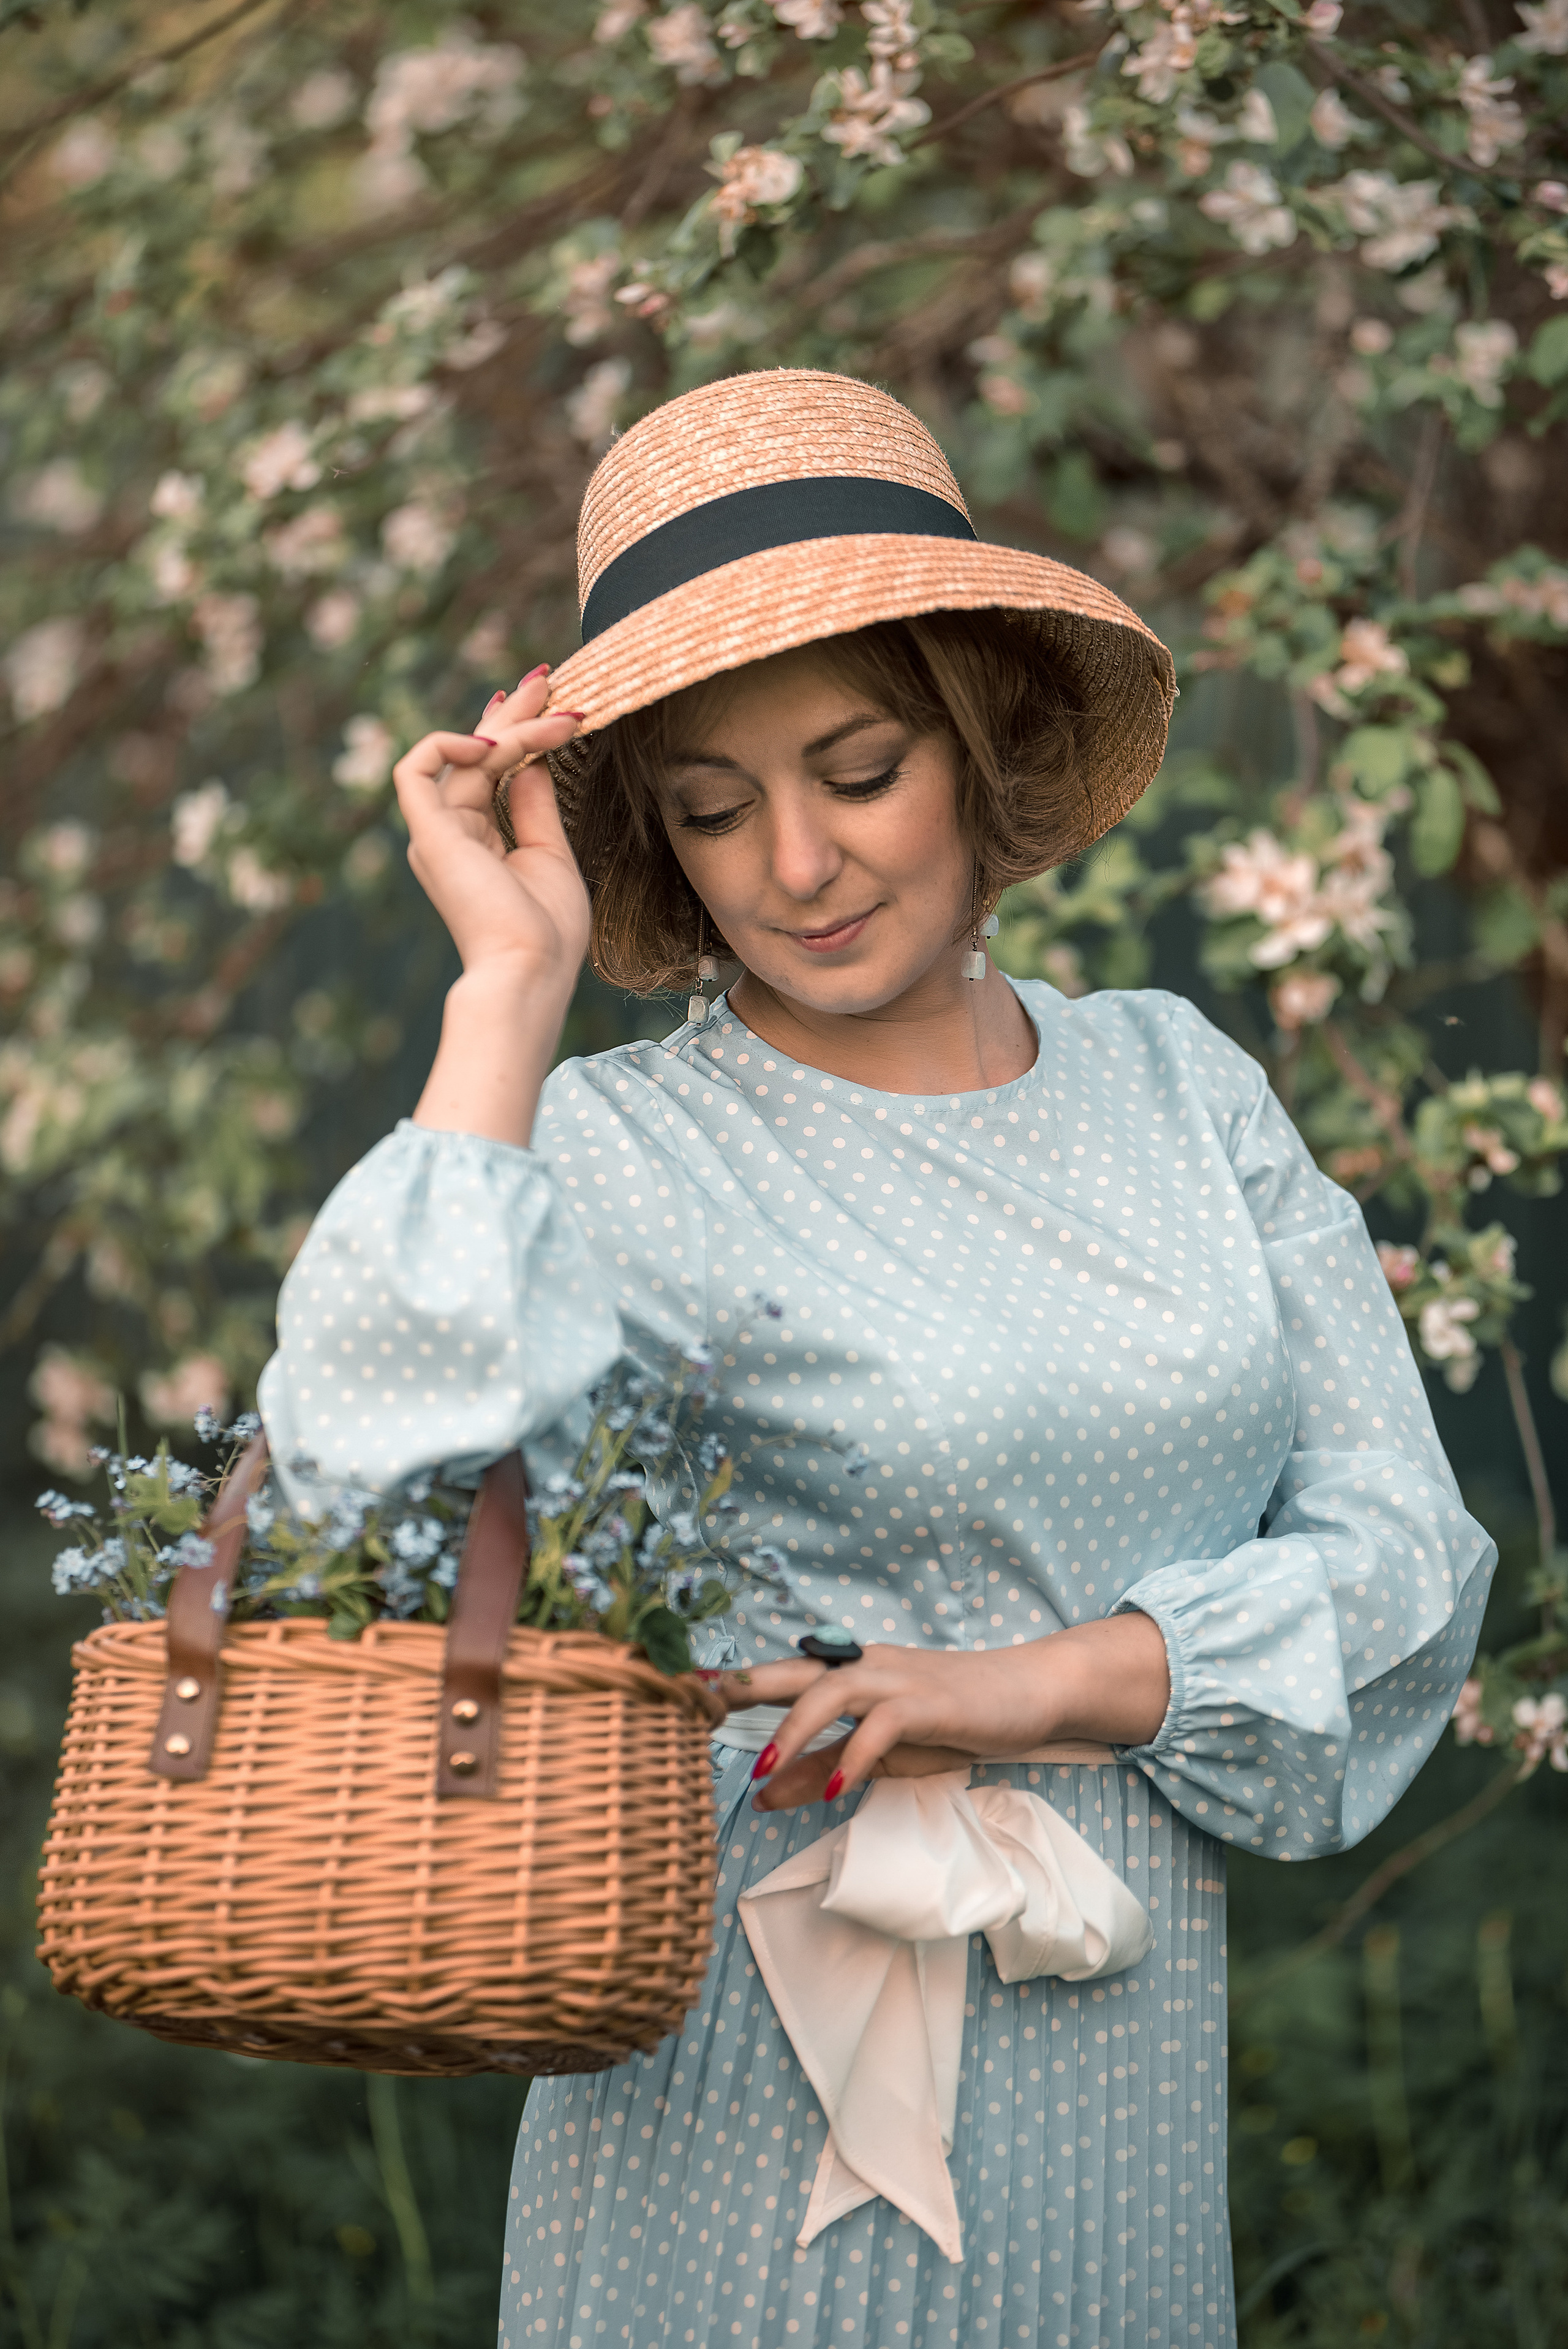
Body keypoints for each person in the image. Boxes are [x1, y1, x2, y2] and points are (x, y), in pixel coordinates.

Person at [258, 369, 1494, 2349]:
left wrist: (1037, 1685)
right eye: (714, 807)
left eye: (857, 768)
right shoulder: (624, 1150)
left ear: (978, 740)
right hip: (742, 2087)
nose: (796, 866)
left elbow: (1404, 1564)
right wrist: (508, 993)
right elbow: (362, 1508)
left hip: (1119, 2069)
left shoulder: (1183, 1085)